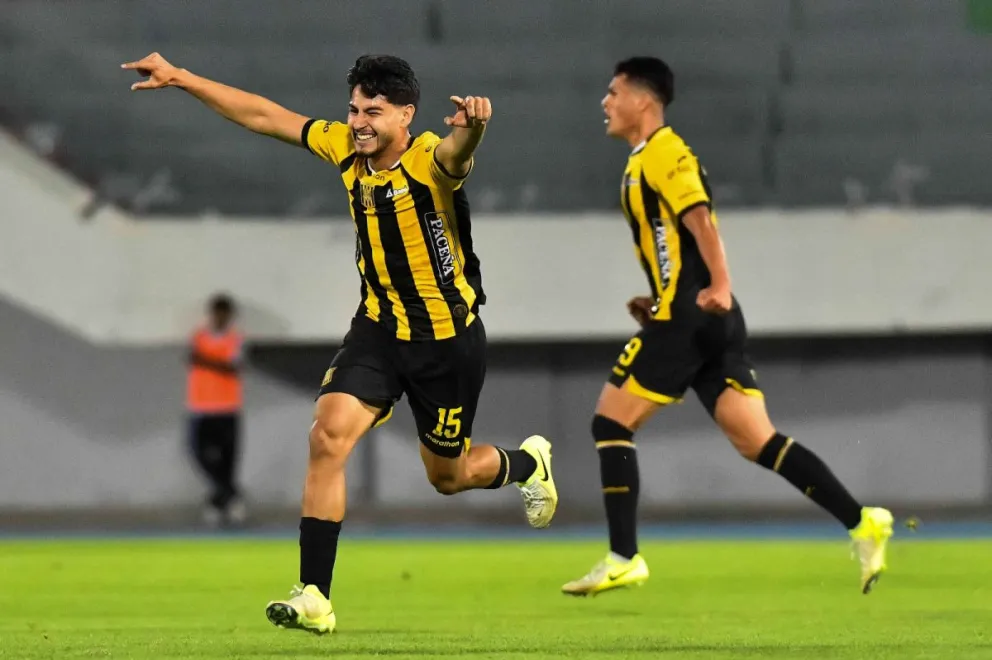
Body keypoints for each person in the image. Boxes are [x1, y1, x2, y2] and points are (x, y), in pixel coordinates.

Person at [123, 52, 557, 633]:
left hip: (445, 343)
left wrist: (474, 125)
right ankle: (315, 596)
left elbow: (459, 154)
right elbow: (264, 116)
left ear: (407, 116)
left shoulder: (431, 159)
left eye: (373, 112)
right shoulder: (345, 150)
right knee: (327, 436)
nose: (358, 122)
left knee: (447, 477)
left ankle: (529, 463)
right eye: (353, 109)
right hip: (378, 328)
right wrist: (182, 78)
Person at [561, 57, 893, 597]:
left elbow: (700, 219)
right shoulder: (645, 158)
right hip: (699, 316)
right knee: (757, 440)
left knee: (610, 424)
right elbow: (677, 242)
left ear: (643, 101)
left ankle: (624, 557)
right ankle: (863, 522)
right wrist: (663, 296)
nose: (606, 101)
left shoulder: (664, 151)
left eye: (614, 91)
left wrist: (717, 284)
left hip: (694, 317)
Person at [186, 293, 246, 527]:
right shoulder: (199, 337)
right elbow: (194, 359)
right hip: (200, 407)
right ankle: (230, 496)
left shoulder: (235, 339)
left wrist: (204, 360)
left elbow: (233, 367)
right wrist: (207, 361)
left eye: (224, 313)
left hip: (227, 408)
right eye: (216, 313)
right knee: (198, 454)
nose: (219, 317)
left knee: (227, 462)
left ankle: (219, 503)